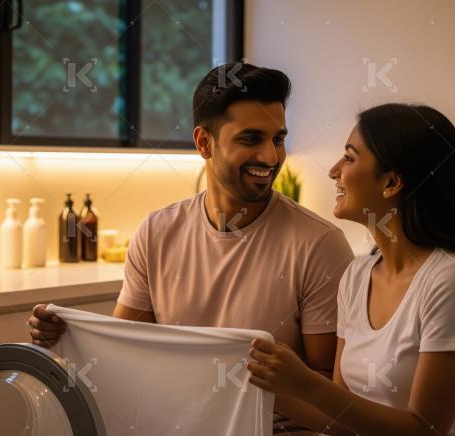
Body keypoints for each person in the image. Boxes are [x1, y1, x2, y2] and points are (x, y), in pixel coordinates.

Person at [30, 63, 354, 431]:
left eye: (277, 139)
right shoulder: (156, 232)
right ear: (204, 143)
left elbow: (331, 395)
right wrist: (63, 331)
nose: (270, 157)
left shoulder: (318, 244)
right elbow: (125, 349)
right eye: (251, 139)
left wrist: (247, 383)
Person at [247, 103, 455, 435]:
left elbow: (424, 430)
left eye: (350, 158)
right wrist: (263, 387)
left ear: (392, 182)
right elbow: (342, 421)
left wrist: (307, 384)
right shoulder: (357, 277)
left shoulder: (454, 282)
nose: (334, 170)